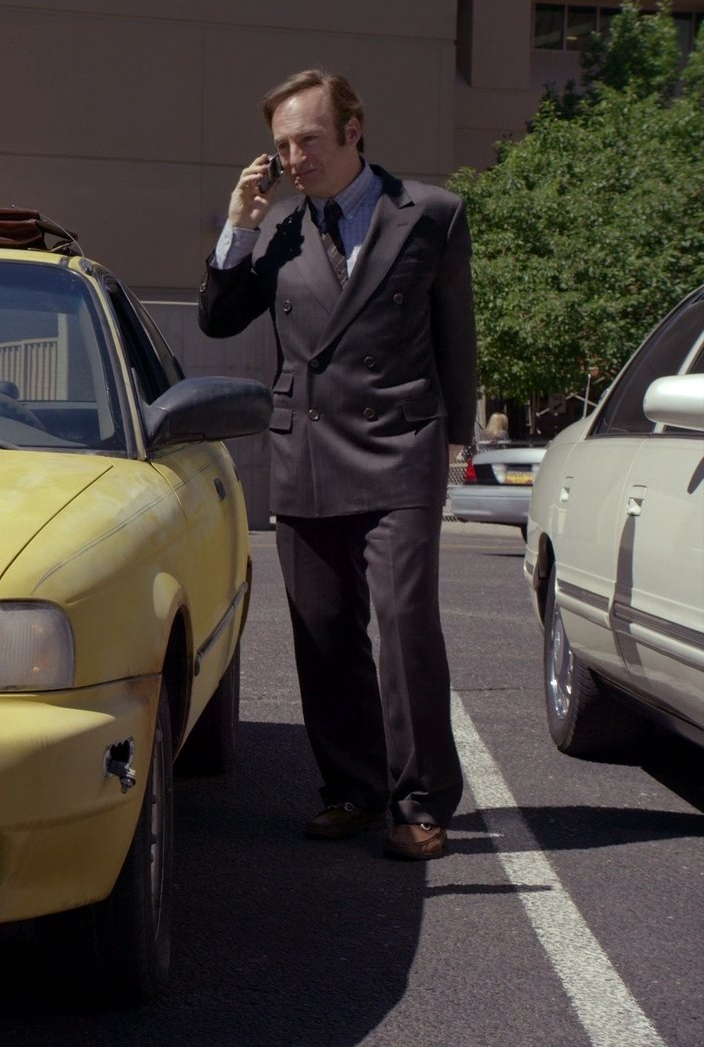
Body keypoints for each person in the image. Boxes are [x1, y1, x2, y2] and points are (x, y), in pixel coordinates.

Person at [197, 69, 476, 861]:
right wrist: (238, 227)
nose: (295, 158)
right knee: (322, 630)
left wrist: (457, 435)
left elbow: (455, 331)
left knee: (405, 624)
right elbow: (217, 320)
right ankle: (354, 789)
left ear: (353, 131)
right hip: (308, 443)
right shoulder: (278, 229)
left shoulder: (430, 213)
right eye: (283, 145)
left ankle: (421, 802)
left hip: (402, 441)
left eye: (309, 140)